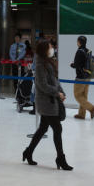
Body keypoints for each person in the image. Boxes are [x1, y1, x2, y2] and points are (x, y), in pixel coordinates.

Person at [22, 39, 72, 171]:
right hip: (46, 102)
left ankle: (28, 152)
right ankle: (60, 158)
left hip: (52, 100)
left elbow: (55, 80)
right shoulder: (39, 65)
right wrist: (57, 93)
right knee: (57, 128)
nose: (52, 49)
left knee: (43, 128)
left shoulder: (47, 62)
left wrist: (61, 92)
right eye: (50, 47)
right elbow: (42, 85)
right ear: (44, 49)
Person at [70, 35, 94, 120]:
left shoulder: (79, 51)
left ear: (79, 42)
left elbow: (76, 65)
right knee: (84, 96)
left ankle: (91, 108)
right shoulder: (88, 51)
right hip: (88, 76)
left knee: (77, 95)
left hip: (80, 77)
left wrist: (72, 65)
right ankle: (81, 114)